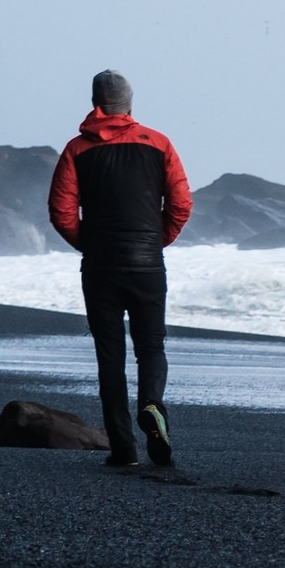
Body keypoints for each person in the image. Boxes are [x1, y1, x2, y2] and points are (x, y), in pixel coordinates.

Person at [48, 70, 192, 468]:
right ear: (129, 103)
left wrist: (90, 244)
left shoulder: (77, 149)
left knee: (109, 356)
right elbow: (181, 204)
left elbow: (61, 211)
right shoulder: (159, 143)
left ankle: (124, 449)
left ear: (95, 103)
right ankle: (152, 404)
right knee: (151, 346)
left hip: (100, 266)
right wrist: (155, 241)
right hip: (147, 264)